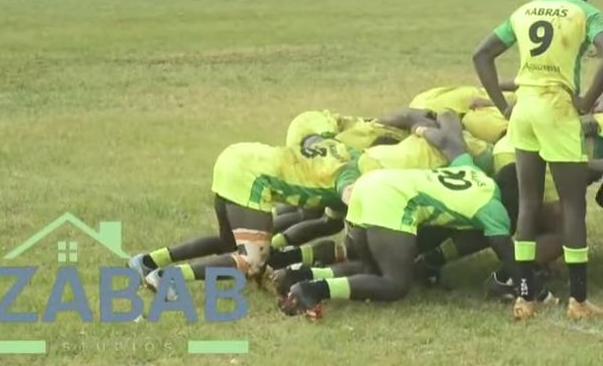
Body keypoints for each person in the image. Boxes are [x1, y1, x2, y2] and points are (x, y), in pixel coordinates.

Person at [472, 0, 603, 320]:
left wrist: (502, 106)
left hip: (524, 109)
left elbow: (481, 55)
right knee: (573, 205)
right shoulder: (586, 12)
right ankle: (579, 300)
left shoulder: (526, 9)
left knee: (528, 204)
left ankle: (525, 297)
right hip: (557, 109)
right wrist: (586, 101)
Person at [278, 114, 518, 320]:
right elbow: (508, 254)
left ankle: (301, 273)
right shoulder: (493, 209)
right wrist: (533, 290)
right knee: (395, 283)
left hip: (368, 183)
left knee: (371, 270)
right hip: (389, 199)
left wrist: (422, 128)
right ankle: (311, 290)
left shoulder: (470, 169)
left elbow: (449, 142)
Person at [128, 134, 359, 298]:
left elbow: (328, 224)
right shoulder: (353, 176)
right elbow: (351, 195)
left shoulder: (346, 152)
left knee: (229, 244)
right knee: (251, 262)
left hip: (237, 157)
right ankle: (169, 276)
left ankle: (148, 261)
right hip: (253, 177)